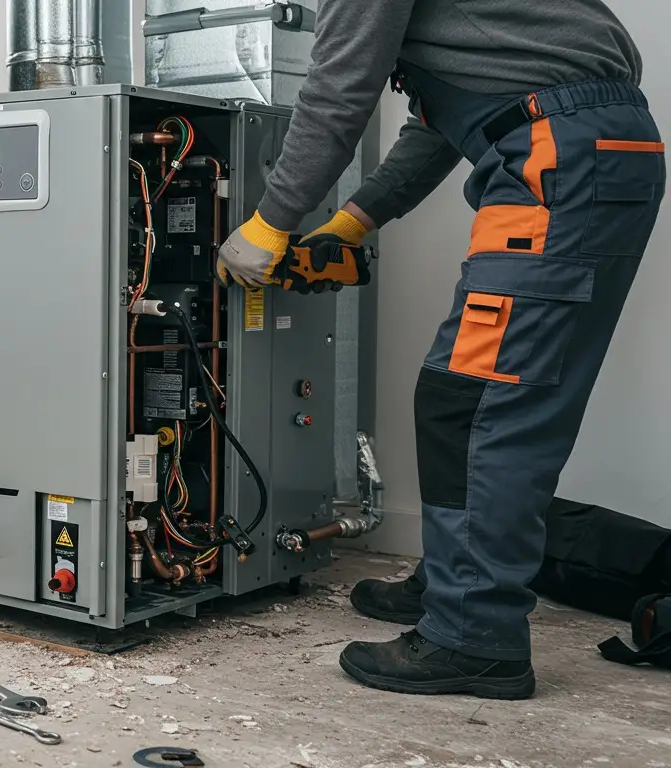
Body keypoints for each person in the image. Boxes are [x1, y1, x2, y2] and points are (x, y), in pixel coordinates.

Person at [218, 0, 661, 699]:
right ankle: (455, 583)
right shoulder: (494, 41)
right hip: (580, 144)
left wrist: (271, 223)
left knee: (477, 403)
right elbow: (446, 122)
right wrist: (357, 218)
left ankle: (474, 636)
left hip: (559, 158)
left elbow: (339, 92)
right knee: (501, 396)